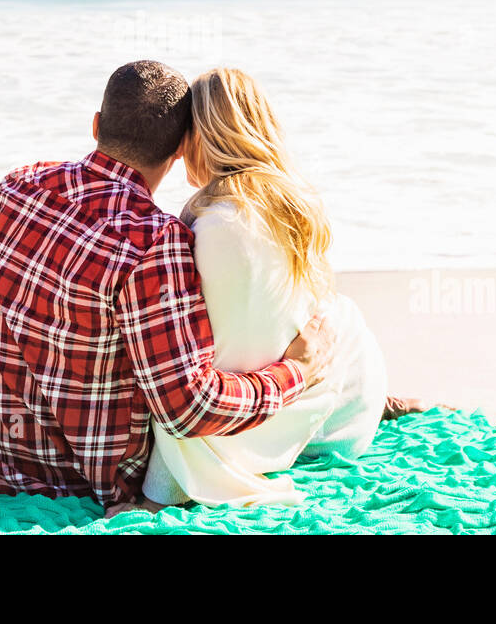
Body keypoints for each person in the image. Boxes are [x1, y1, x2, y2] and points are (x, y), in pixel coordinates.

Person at [0, 60, 335, 511]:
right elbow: (189, 409)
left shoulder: (17, 188)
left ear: (97, 124)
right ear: (180, 150)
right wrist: (295, 373)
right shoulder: (155, 243)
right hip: (75, 482)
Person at [142, 67, 391, 507]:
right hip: (341, 418)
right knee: (339, 315)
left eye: (185, 136)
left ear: (204, 135)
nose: (179, 153)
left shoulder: (210, 225)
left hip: (249, 428)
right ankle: (384, 400)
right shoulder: (290, 205)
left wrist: (160, 491)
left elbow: (212, 360)